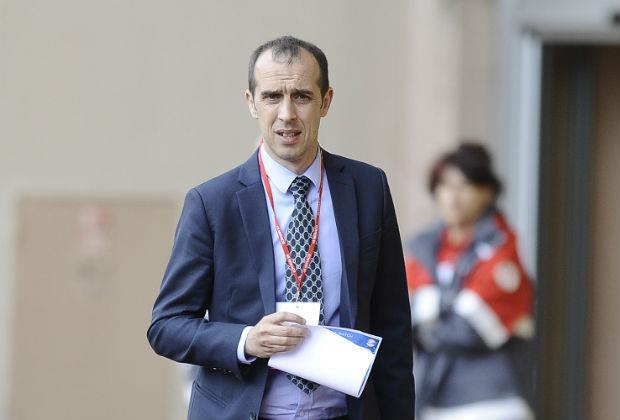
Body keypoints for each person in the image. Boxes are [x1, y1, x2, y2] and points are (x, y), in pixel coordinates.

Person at [147, 35, 415, 420]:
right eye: (272, 96)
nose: (287, 114)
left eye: (302, 96)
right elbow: (167, 326)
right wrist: (246, 340)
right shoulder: (212, 203)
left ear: (326, 101)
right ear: (251, 103)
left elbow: (393, 325)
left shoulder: (368, 188)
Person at [405, 143, 534, 420]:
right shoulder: (423, 250)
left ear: (487, 192)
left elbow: (471, 329)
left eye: (464, 186)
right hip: (431, 401)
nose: (453, 197)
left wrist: (424, 327)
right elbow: (401, 313)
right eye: (445, 185)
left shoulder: (502, 250)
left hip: (491, 403)